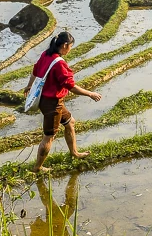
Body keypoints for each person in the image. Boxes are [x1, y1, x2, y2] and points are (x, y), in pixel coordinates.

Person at [23, 31, 102, 173]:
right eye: (71, 46)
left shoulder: (46, 55)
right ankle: (37, 167)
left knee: (70, 122)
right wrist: (90, 93)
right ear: (65, 45)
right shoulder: (59, 64)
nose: (70, 49)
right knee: (49, 136)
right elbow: (71, 86)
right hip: (52, 103)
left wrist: (30, 85)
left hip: (48, 100)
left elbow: (35, 70)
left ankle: (74, 152)